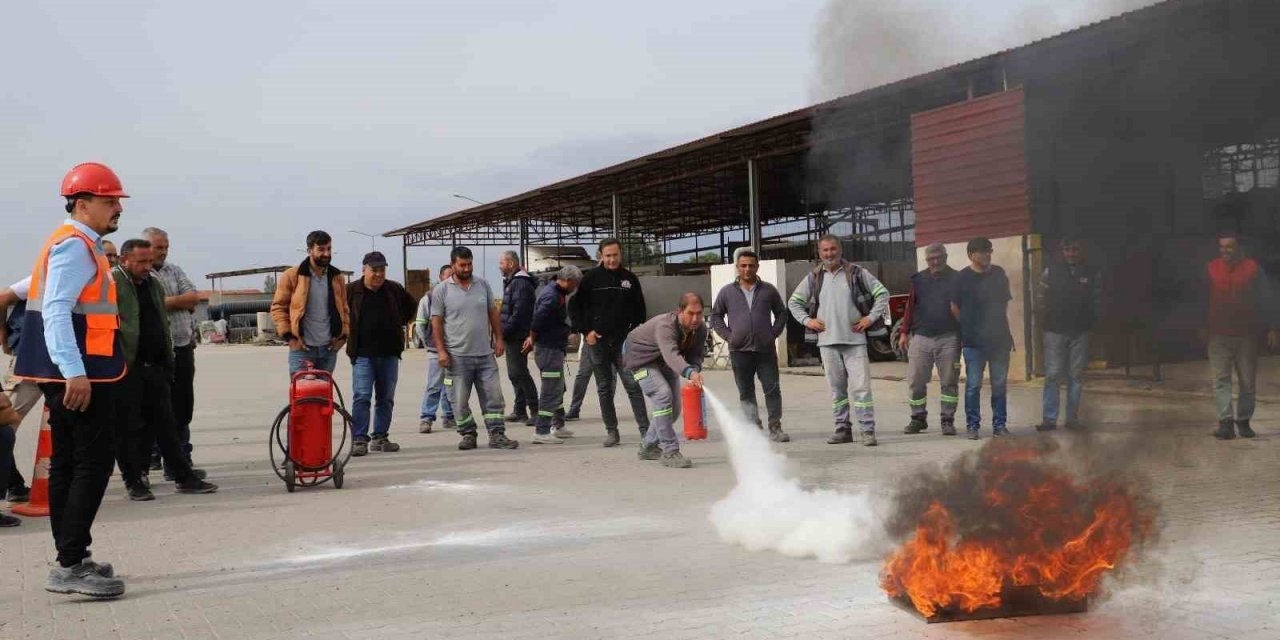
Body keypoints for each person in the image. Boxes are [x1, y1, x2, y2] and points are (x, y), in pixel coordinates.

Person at [13, 162, 131, 598]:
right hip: (80, 375)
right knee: (92, 463)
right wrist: (74, 373)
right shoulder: (74, 247)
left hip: (72, 371)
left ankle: (73, 557)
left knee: (67, 462)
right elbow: (58, 309)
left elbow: (36, 288)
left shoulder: (77, 243)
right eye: (109, 200)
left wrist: (10, 291)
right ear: (82, 204)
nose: (117, 207)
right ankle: (69, 566)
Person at [111, 239, 218, 500]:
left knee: (166, 424)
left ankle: (183, 476)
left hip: (156, 365)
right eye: (142, 262)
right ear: (125, 260)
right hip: (127, 367)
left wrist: (166, 360)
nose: (148, 266)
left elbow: (161, 321)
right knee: (130, 428)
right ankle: (134, 481)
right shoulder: (112, 284)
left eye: (150, 261)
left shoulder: (153, 284)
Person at [788, 235, 890, 446]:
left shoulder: (857, 273)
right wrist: (808, 321)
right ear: (819, 253)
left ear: (840, 250)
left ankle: (867, 430)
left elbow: (882, 293)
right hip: (827, 344)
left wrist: (869, 318)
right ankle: (842, 429)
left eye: (833, 249)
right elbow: (794, 302)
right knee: (837, 391)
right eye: (825, 250)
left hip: (855, 342)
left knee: (861, 388)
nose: (829, 254)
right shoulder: (814, 278)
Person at [430, 247, 518, 450]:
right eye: (462, 265)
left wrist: (499, 339)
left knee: (494, 398)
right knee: (458, 401)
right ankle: (468, 433)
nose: (467, 268)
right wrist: (441, 351)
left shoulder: (483, 285)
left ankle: (497, 434)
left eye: (469, 264)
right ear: (453, 265)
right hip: (456, 357)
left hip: (485, 356)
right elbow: (436, 322)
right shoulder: (441, 290)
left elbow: (493, 313)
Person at [570, 238, 649, 447]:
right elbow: (574, 307)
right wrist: (585, 331)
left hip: (624, 344)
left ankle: (646, 432)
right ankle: (612, 432)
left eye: (615, 255)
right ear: (600, 256)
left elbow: (640, 313)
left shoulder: (630, 279)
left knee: (633, 386)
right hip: (598, 345)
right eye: (608, 256)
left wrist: (634, 335)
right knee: (604, 388)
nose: (612, 259)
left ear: (620, 255)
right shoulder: (590, 280)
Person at [710, 248, 790, 442]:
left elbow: (782, 313)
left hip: (765, 350)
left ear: (757, 267)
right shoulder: (727, 292)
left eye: (751, 266)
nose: (747, 269)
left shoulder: (768, 290)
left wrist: (773, 333)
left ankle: (775, 427)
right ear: (737, 267)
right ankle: (753, 425)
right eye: (743, 265)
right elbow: (716, 316)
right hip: (739, 351)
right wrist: (729, 336)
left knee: (772, 389)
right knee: (745, 391)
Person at [141, 227, 202, 478]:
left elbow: (193, 297)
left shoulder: (174, 270)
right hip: (154, 354)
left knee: (182, 405)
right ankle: (153, 458)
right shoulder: (140, 274)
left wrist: (166, 302)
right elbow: (146, 305)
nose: (163, 251)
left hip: (182, 346)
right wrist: (177, 301)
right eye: (158, 247)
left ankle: (180, 459)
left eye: (166, 247)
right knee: (154, 408)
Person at [1205, 232, 1278, 439]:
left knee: (1247, 382)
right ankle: (1225, 424)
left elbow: (1267, 297)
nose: (1225, 251)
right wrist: (1200, 326)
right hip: (1217, 335)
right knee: (1221, 380)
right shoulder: (1211, 268)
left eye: (1229, 247)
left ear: (1239, 248)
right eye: (1222, 247)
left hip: (1246, 335)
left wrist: (1273, 326)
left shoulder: (1253, 269)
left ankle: (1244, 422)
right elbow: (1200, 298)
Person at [622, 293, 707, 468]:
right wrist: (689, 373)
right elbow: (671, 355)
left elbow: (695, 355)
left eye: (699, 313)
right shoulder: (665, 325)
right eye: (691, 313)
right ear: (680, 311)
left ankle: (648, 446)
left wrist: (695, 369)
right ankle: (670, 451)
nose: (695, 318)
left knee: (674, 410)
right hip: (638, 360)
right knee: (662, 396)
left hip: (662, 361)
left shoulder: (700, 329)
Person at [345, 251, 416, 456]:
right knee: (362, 397)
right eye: (374, 270)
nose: (378, 274)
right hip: (362, 355)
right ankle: (359, 439)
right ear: (364, 269)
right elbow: (338, 312)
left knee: (386, 397)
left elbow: (411, 306)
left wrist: (398, 322)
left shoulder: (394, 289)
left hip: (389, 353)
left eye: (382, 270)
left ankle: (380, 437)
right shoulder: (351, 290)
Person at [1035, 238, 1102, 432]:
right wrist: (1045, 323)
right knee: (1053, 374)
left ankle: (1072, 419)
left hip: (1080, 332)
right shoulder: (1050, 272)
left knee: (1076, 375)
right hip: (1054, 330)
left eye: (1074, 249)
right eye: (1067, 249)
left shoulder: (1091, 272)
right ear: (1062, 251)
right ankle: (1049, 419)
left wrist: (1091, 324)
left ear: (1080, 250)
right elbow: (1040, 299)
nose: (1071, 253)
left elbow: (1097, 300)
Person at [950, 237, 1014, 440]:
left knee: (999, 385)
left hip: (999, 341)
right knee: (973, 386)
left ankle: (999, 425)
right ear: (971, 255)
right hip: (973, 343)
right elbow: (954, 307)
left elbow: (1004, 303)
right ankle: (972, 425)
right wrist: (969, 326)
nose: (987, 254)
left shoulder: (999, 274)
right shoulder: (961, 278)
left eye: (989, 250)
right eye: (982, 251)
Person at [899, 243, 961, 436]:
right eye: (931, 258)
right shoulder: (918, 280)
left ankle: (947, 421)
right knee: (916, 381)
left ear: (946, 256)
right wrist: (903, 332)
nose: (936, 261)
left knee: (949, 381)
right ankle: (918, 419)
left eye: (939, 257)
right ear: (927, 260)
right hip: (921, 337)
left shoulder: (958, 278)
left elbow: (967, 308)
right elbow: (910, 307)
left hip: (949, 337)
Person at [271, 231, 350, 374]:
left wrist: (343, 337)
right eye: (321, 249)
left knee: (324, 395)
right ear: (309, 251)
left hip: (329, 349)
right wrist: (290, 338)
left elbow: (344, 309)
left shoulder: (337, 277)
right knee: (302, 394)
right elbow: (278, 308)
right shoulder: (292, 276)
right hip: (302, 349)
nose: (326, 253)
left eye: (329, 249)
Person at [525, 266, 583, 444]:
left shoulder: (556, 292)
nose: (575, 288)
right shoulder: (552, 296)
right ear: (568, 281)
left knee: (558, 387)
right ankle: (541, 430)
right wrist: (531, 339)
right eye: (576, 284)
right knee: (551, 390)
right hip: (548, 349)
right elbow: (538, 320)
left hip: (554, 348)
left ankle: (558, 425)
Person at [1, 276, 40, 502]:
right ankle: (12, 484)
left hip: (68, 362)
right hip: (30, 358)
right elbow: (2, 299)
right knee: (6, 422)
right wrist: (4, 336)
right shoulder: (42, 276)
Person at [499, 251, 539, 426]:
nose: (499, 266)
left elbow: (519, 313)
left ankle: (535, 410)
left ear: (511, 263)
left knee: (521, 373)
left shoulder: (520, 284)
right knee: (514, 374)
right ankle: (519, 409)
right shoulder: (512, 282)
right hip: (511, 335)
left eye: (501, 263)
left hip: (517, 335)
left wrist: (504, 332)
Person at [416, 264, 456, 433]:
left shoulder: (456, 297)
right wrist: (428, 343)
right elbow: (420, 324)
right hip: (435, 352)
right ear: (440, 278)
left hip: (454, 350)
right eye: (447, 276)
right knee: (434, 385)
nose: (450, 280)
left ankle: (449, 416)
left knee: (449, 383)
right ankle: (426, 417)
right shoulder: (429, 298)